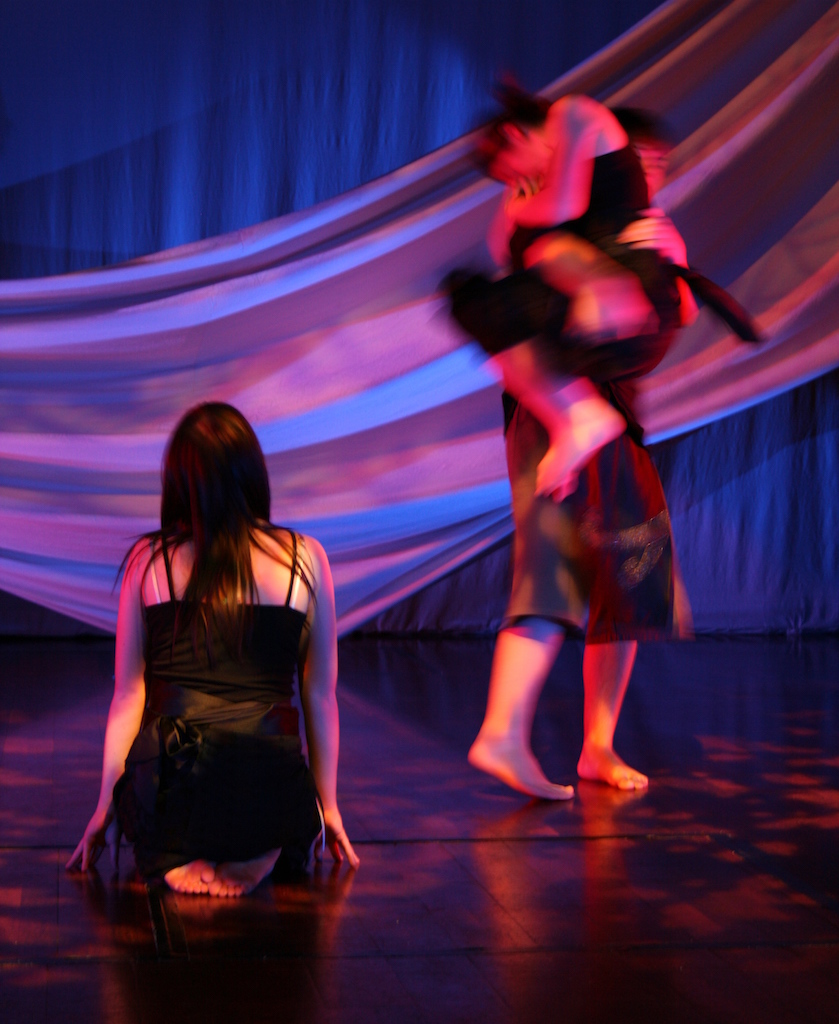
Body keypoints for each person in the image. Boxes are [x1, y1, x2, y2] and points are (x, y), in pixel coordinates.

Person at [452, 90, 696, 799]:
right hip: (552, 410)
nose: (647, 174)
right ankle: (502, 730)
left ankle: (597, 745)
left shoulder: (646, 230)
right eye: (637, 160)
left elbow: (673, 312)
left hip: (613, 411)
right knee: (551, 562)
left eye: (657, 165)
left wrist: (647, 269)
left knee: (634, 571)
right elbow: (517, 297)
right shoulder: (543, 206)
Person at [67, 402, 359, 895]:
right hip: (267, 786)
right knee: (273, 784)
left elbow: (129, 695)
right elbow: (320, 695)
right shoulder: (305, 558)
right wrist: (327, 806)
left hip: (175, 787)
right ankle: (262, 848)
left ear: (179, 483)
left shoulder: (147, 561)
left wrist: (106, 805)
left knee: (158, 785)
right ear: (252, 472)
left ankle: (178, 851)